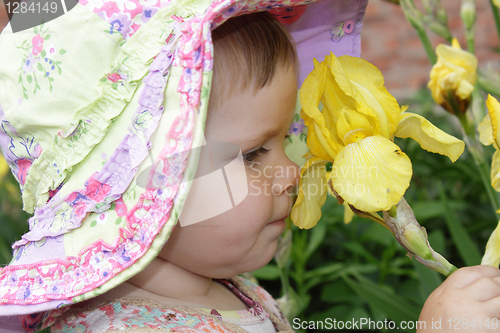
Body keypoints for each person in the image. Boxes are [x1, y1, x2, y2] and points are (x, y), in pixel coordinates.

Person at [0, 0, 369, 331]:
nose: (291, 172)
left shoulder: (227, 291)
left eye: (285, 141)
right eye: (253, 153)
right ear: (135, 184)